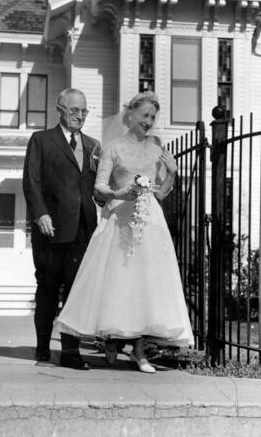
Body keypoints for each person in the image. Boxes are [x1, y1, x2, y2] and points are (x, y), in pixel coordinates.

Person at [55, 91, 194, 373]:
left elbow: (162, 194)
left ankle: (140, 351)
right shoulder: (113, 147)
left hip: (150, 222)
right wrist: (121, 193)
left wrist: (171, 173)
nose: (149, 121)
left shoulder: (156, 148)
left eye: (153, 117)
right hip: (120, 218)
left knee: (144, 284)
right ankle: (111, 338)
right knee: (118, 282)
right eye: (144, 115)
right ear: (130, 115)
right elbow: (99, 187)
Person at [23, 88, 102, 370]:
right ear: (60, 109)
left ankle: (70, 352)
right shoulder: (42, 140)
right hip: (51, 229)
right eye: (74, 110)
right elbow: (31, 181)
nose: (79, 116)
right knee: (47, 287)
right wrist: (41, 213)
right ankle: (43, 347)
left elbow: (97, 188)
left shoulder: (94, 146)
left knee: (75, 292)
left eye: (83, 111)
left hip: (83, 230)